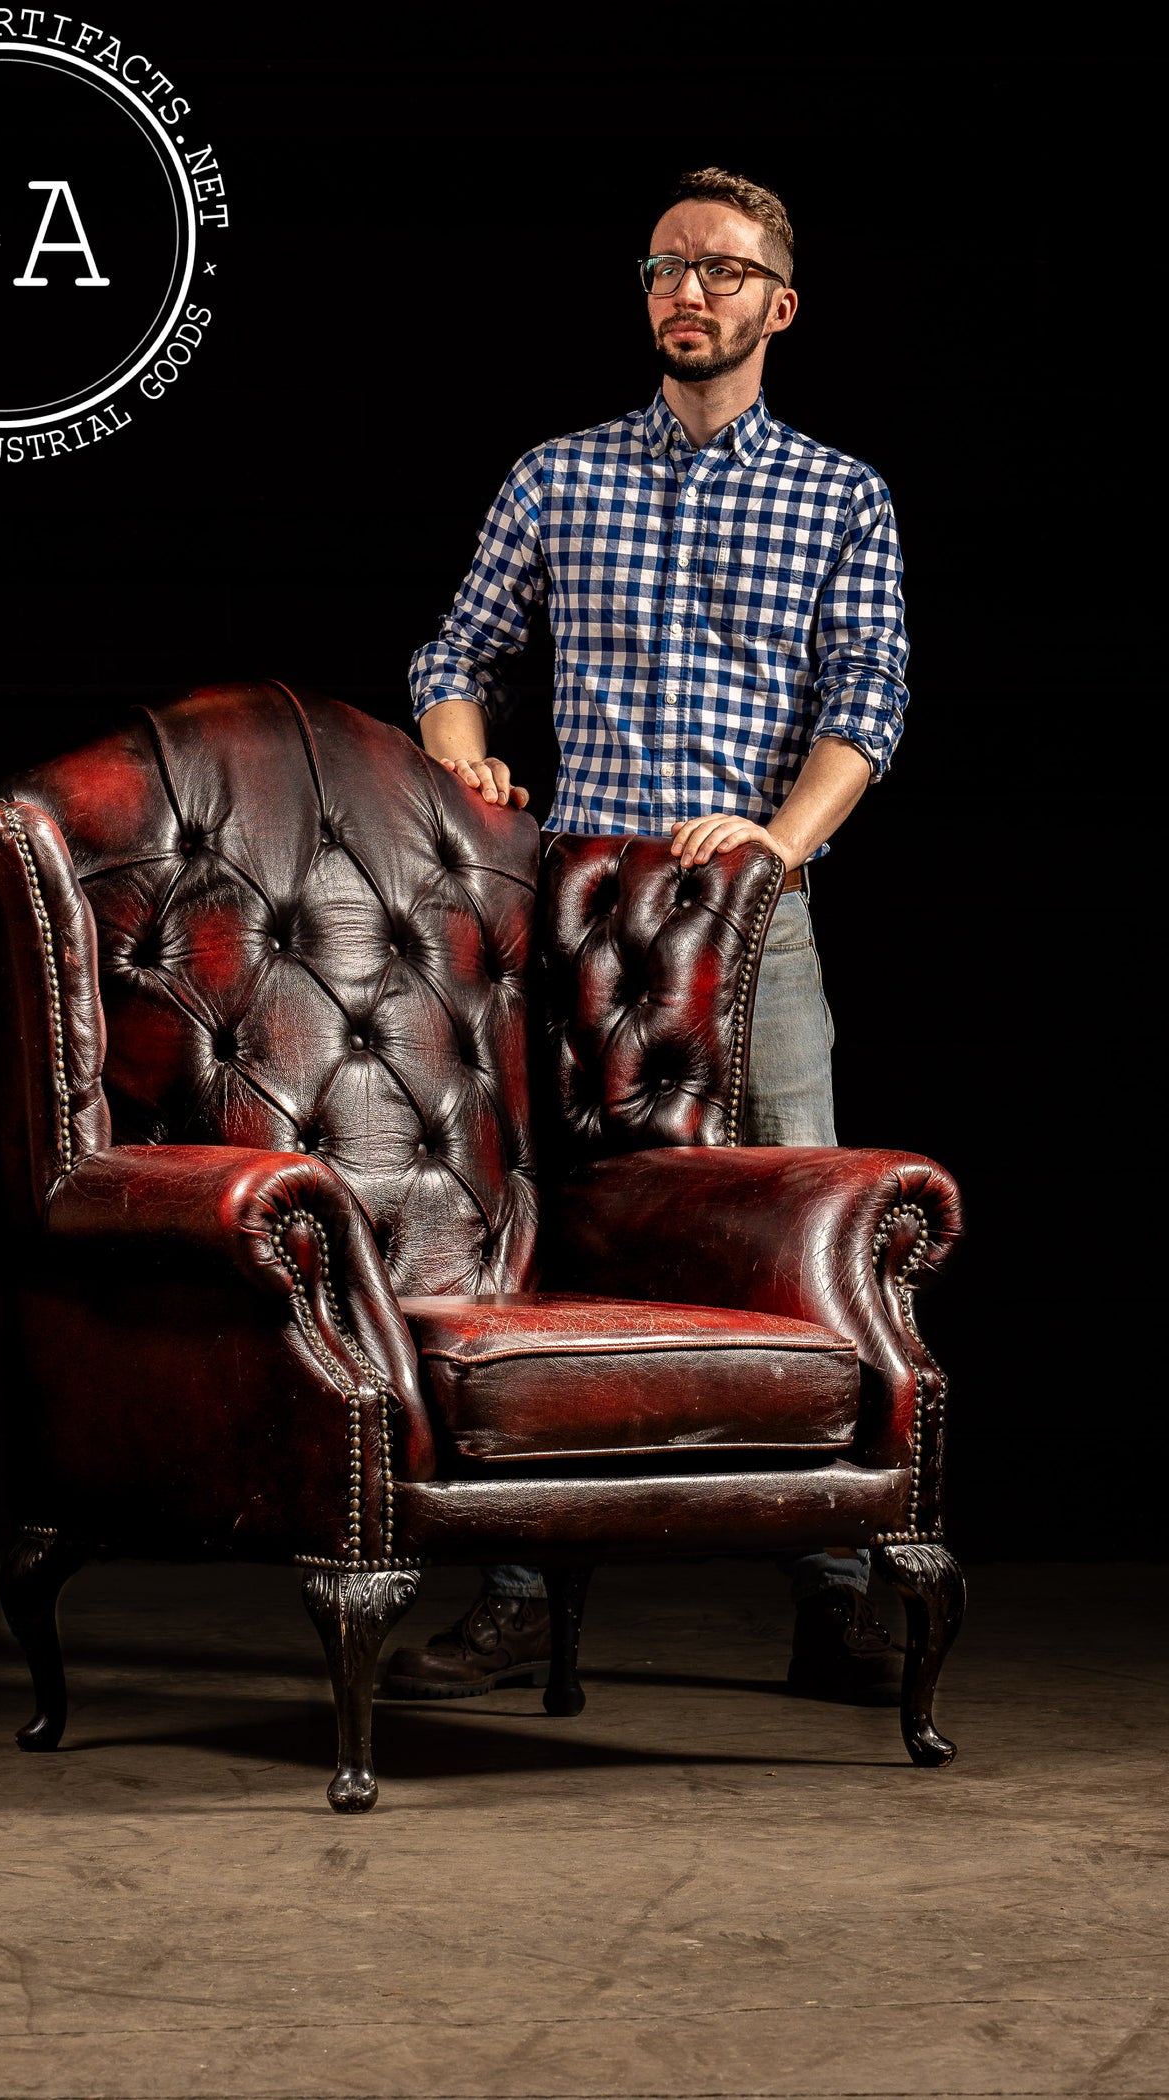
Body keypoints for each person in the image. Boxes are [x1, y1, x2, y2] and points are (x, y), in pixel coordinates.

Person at [387, 166, 909, 1707]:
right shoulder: (557, 477)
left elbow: (866, 703)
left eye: (726, 272)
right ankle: (525, 1598)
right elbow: (456, 649)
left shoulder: (843, 492)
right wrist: (460, 759)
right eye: (670, 269)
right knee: (555, 1239)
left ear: (779, 304)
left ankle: (839, 1597)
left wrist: (778, 839)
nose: (694, 292)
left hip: (754, 924)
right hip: (577, 920)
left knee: (807, 1240)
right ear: (648, 296)